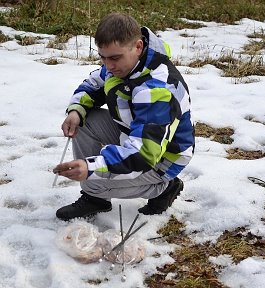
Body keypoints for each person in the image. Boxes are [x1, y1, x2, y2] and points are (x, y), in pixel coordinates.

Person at [53, 12, 195, 221]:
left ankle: (163, 187)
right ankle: (96, 199)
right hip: (132, 131)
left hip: (161, 157)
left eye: (114, 58)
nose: (108, 65)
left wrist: (91, 167)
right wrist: (76, 110)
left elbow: (145, 153)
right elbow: (94, 84)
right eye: (103, 57)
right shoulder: (124, 65)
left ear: (138, 46)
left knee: (94, 180)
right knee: (84, 120)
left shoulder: (157, 90)